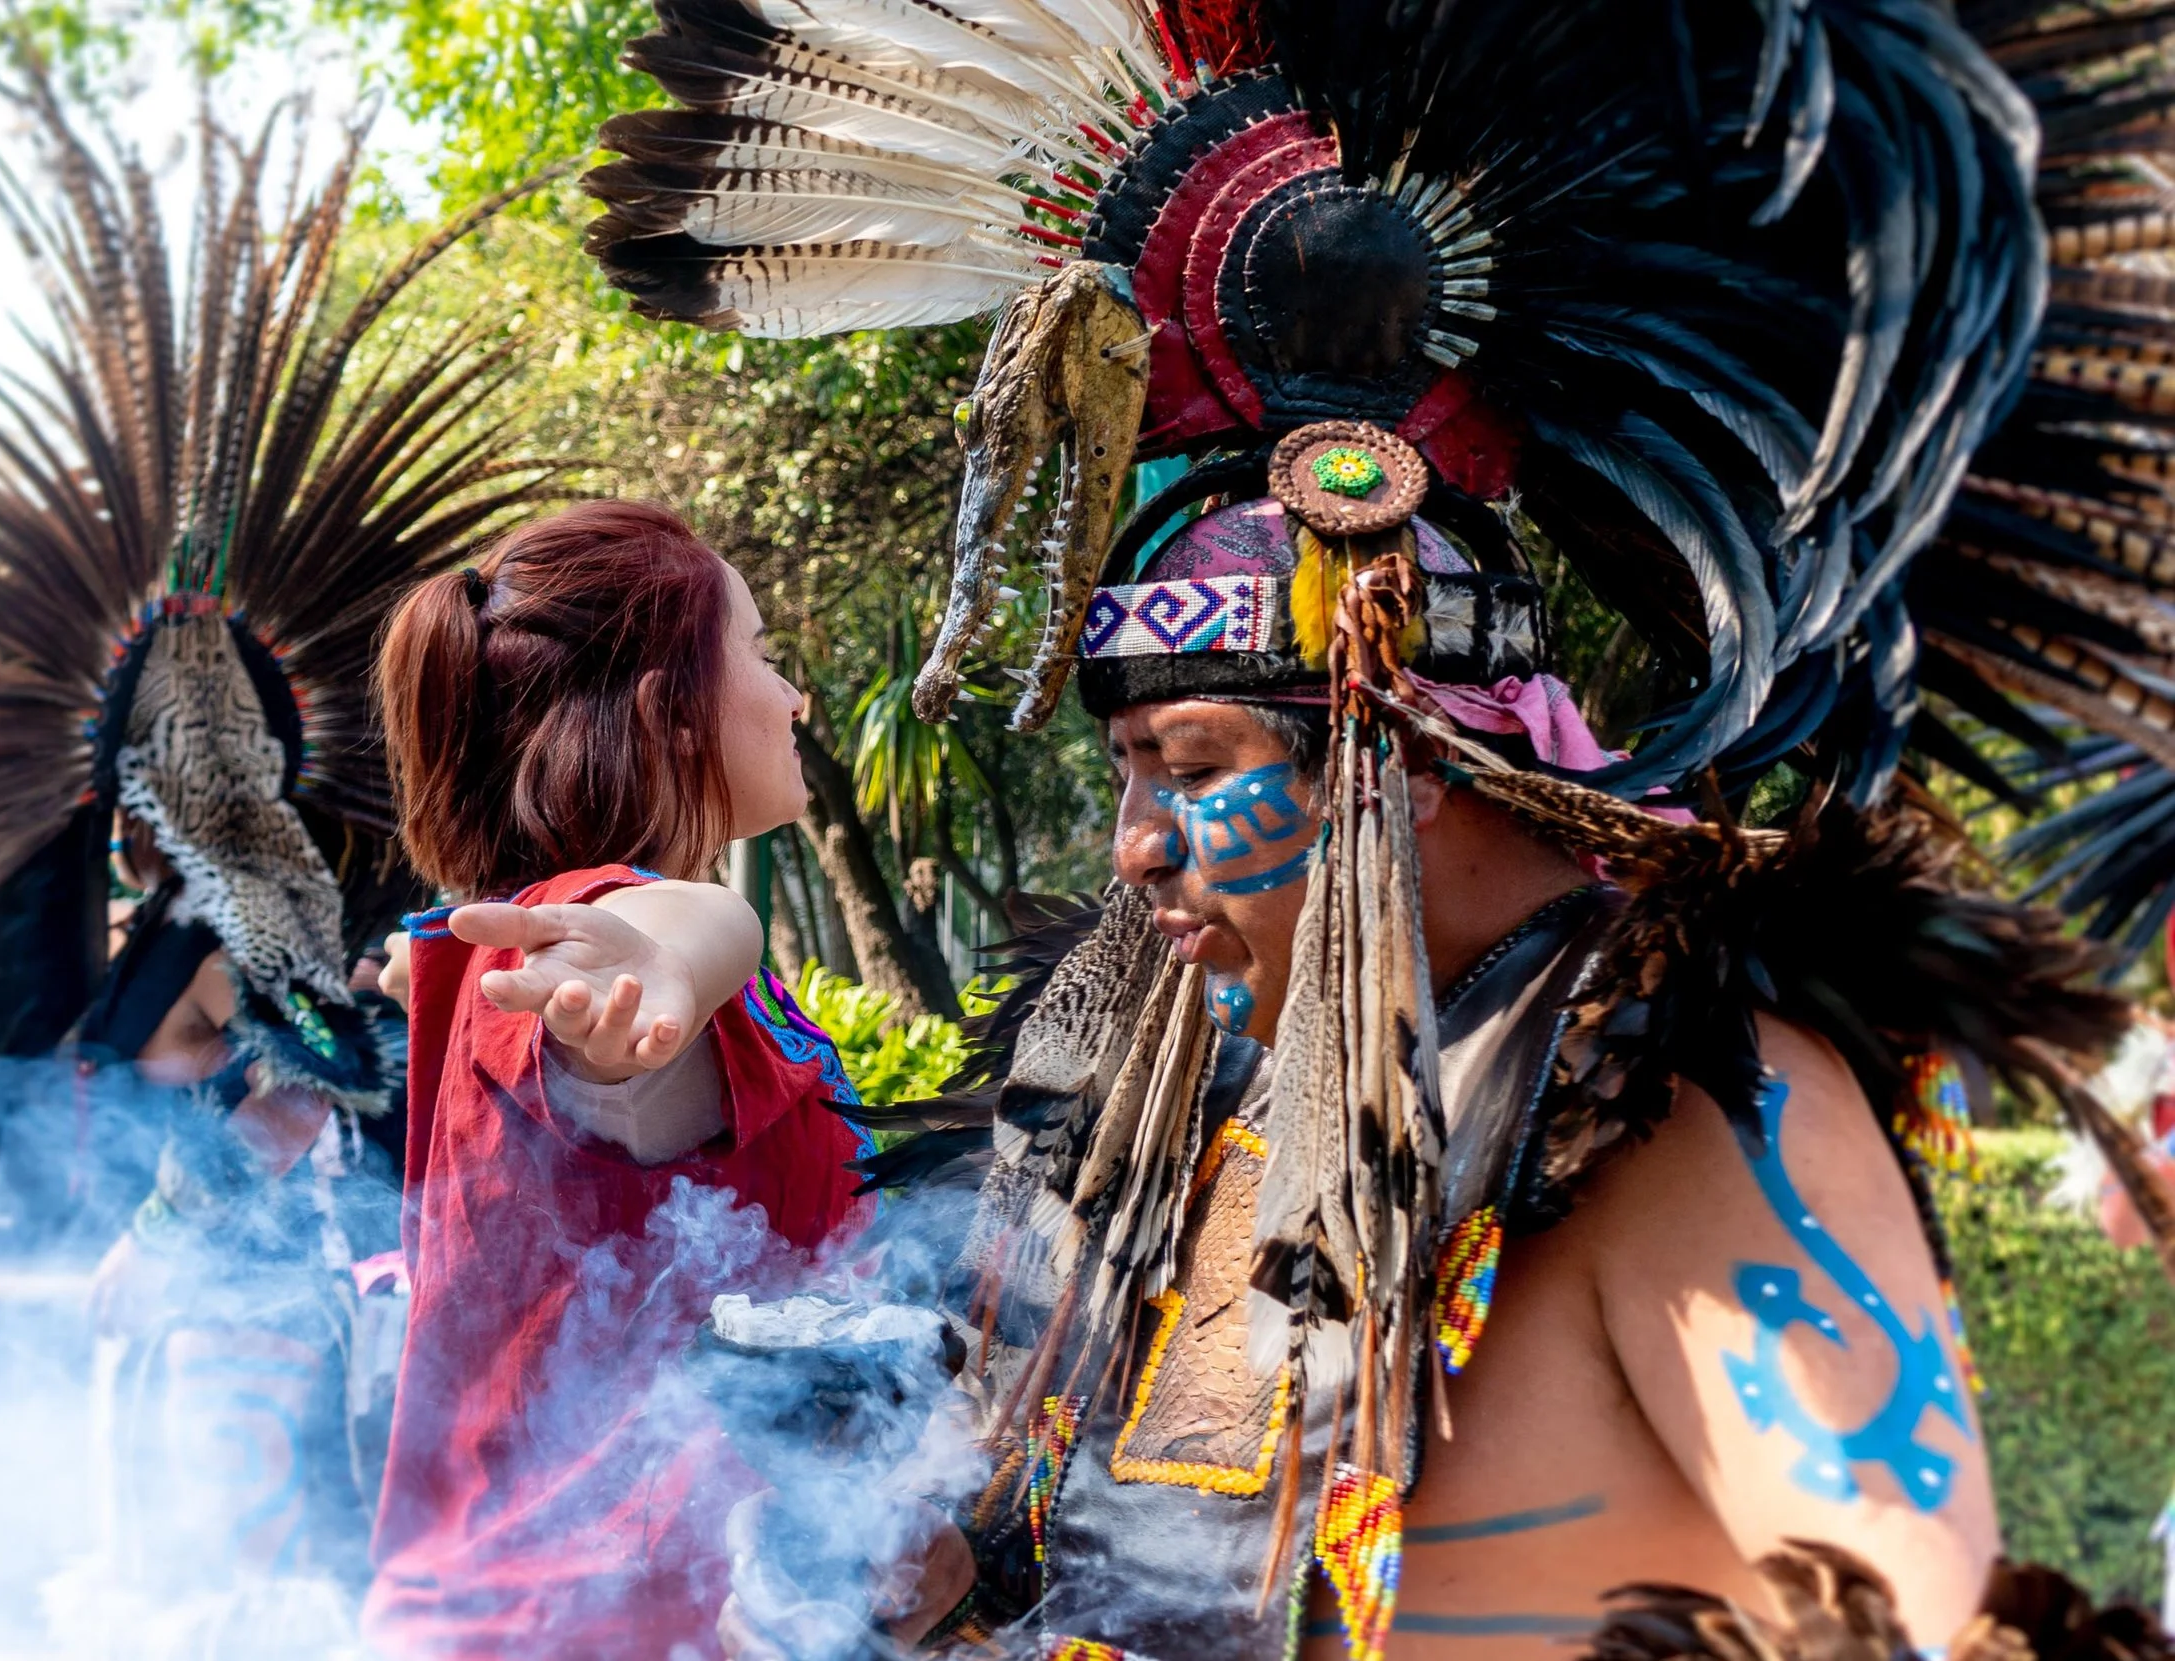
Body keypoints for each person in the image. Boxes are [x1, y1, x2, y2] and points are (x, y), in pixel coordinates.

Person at [583, 0, 2174, 1654]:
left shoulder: (1691, 1107)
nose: (1134, 846)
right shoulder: (1182, 1094)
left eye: (1191, 768)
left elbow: (1919, 1621)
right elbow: (1082, 1575)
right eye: (1129, 773)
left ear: (1397, 761)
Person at [0, 71, 550, 1653]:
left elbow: (313, 1084)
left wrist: (241, 1140)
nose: (187, 788)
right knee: (179, 1581)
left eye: (212, 763)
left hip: (263, 1323)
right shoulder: (168, 931)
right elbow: (117, 1065)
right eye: (162, 765)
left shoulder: (301, 933)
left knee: (240, 1589)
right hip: (182, 1316)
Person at [362, 500, 872, 1659]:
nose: (792, 694)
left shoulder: (534, 953)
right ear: (667, 710)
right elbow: (674, 920)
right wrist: (673, 948)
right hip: (588, 1626)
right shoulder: (589, 935)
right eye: (757, 650)